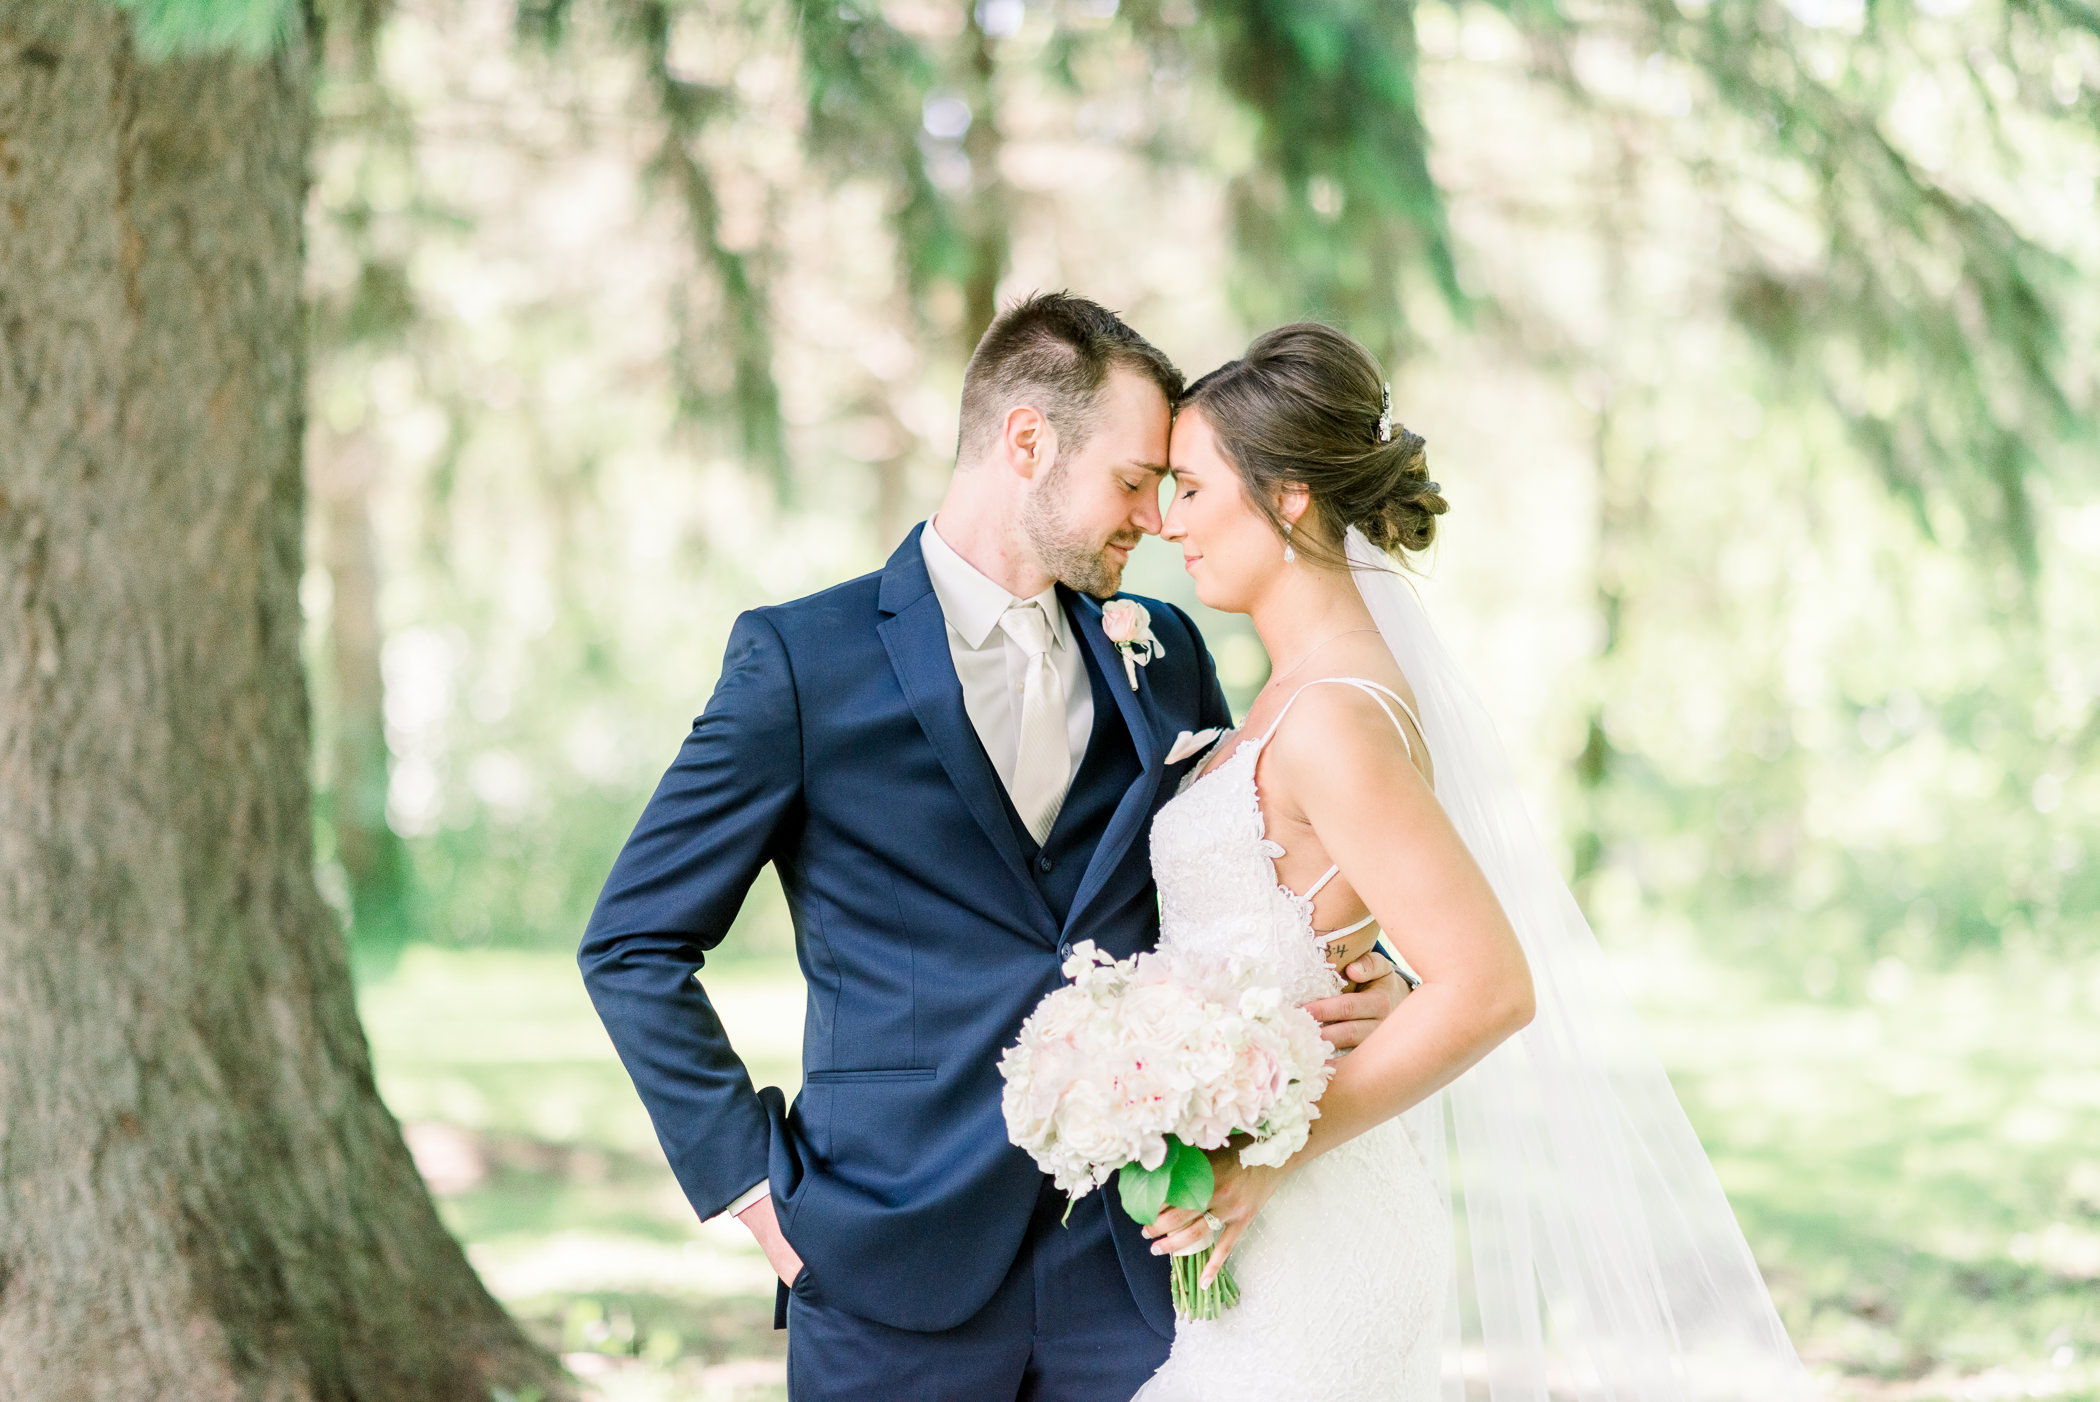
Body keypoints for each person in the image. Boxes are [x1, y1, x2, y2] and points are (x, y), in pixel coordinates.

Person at [577, 294, 1408, 1401]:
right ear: (1027, 442)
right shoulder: (800, 663)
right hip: (883, 1261)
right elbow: (632, 943)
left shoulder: (1164, 660)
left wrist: (1375, 976)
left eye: (1170, 486)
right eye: (1131, 479)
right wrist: (758, 1192)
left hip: (1133, 1263)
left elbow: (1261, 876)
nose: (1155, 517)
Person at [1131, 323, 1817, 1400]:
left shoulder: (1330, 718)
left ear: (1291, 496)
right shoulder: (1290, 691)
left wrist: (1262, 1162)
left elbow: (1492, 985)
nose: (1169, 523)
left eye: (1191, 487)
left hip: (1318, 1236)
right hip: (1269, 1228)